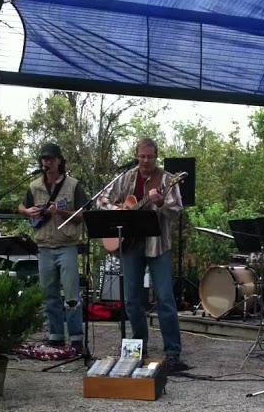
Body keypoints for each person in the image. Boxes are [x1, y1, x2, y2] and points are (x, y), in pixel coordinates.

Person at [98, 138, 185, 370]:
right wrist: (117, 210)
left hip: (157, 245)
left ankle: (173, 351)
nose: (146, 160)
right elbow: (102, 199)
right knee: (131, 299)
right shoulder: (125, 178)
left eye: (150, 157)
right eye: (142, 156)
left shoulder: (167, 179)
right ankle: (138, 346)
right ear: (136, 156)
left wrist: (161, 203)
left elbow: (177, 210)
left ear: (156, 157)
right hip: (130, 245)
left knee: (165, 298)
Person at [18, 143, 89, 354]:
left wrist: (62, 212)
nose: (46, 162)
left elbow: (83, 215)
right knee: (49, 294)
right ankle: (55, 336)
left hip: (66, 245)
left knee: (71, 295)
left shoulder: (73, 185)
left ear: (59, 161)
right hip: (44, 246)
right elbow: (21, 206)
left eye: (50, 159)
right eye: (44, 159)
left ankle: (76, 338)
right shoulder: (34, 186)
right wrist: (27, 212)